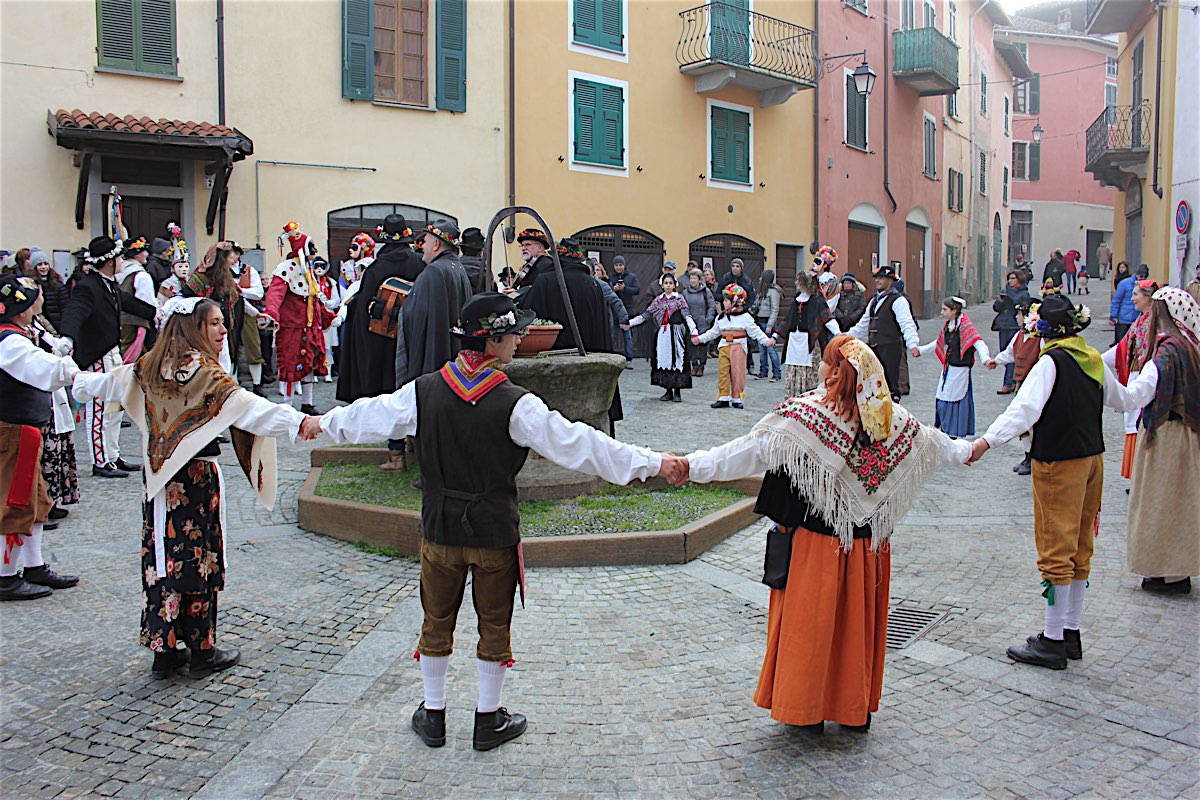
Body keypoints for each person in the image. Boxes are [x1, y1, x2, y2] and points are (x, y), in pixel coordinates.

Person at [314, 292, 685, 751]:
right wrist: (651, 462)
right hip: (492, 530)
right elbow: (580, 445)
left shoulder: (423, 391)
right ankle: (487, 719)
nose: (519, 339)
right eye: (512, 333)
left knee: (436, 618)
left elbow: (365, 416)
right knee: (493, 623)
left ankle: (433, 715)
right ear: (492, 342)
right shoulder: (516, 403)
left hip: (440, 527)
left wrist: (317, 424)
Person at [678, 335, 972, 732]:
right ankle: (853, 709)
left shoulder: (805, 417)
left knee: (809, 627)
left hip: (816, 546)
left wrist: (691, 465)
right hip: (867, 549)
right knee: (856, 630)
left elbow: (748, 452)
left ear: (834, 370)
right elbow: (937, 445)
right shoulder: (890, 419)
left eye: (825, 359)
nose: (819, 364)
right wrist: (972, 450)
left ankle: (805, 708)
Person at [72, 296, 317, 677]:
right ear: (193, 326)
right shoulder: (204, 373)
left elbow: (105, 384)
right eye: (214, 323)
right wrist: (299, 423)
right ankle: (202, 651)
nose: (223, 329)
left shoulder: (150, 367)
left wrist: (71, 379)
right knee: (198, 558)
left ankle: (165, 651)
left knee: (161, 558)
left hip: (157, 480)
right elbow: (250, 408)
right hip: (195, 479)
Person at [967, 294, 1155, 670]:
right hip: (1092, 459)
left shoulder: (1049, 362)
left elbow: (1024, 409)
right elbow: (1126, 400)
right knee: (1080, 546)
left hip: (1059, 461)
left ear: (1044, 332)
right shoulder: (1091, 358)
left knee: (1055, 546)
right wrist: (1152, 372)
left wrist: (986, 441)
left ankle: (1052, 640)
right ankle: (1070, 632)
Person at [0, 275, 82, 601]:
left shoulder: (19, 333)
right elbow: (43, 368)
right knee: (15, 501)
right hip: (13, 428)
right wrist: (78, 375)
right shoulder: (10, 340)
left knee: (36, 500)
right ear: (21, 309)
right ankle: (5, 576)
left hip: (24, 429)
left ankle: (33, 565)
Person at [1122, 287, 1200, 595]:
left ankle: (1167, 574)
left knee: (1161, 503)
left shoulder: (1167, 351)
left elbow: (1139, 393)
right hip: (1188, 436)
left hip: (1165, 436)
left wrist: (1104, 390)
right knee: (1182, 502)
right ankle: (1177, 571)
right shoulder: (1191, 346)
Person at [58, 236, 156, 478]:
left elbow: (129, 302)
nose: (122, 261)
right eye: (120, 257)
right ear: (110, 261)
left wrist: (156, 313)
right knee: (99, 408)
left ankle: (113, 454)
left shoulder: (109, 284)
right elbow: (75, 311)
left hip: (112, 352)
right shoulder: (88, 286)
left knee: (115, 406)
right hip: (97, 355)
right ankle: (100, 460)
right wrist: (67, 337)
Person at [338, 216, 423, 463]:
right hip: (413, 338)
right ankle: (412, 440)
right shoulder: (420, 264)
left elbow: (363, 311)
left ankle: (395, 453)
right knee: (410, 388)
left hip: (381, 341)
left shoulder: (375, 269)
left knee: (388, 393)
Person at [263, 222, 334, 414]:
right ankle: (287, 405)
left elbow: (314, 299)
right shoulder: (286, 269)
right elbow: (275, 294)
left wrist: (327, 317)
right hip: (291, 328)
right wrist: (271, 313)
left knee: (308, 364)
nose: (315, 251)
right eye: (311, 247)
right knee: (290, 365)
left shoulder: (308, 270)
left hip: (310, 327)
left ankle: (307, 403)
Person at [1101, 279, 1161, 481]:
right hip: (1136, 377)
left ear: (1148, 297)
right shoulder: (1140, 322)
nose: (1132, 298)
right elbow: (1122, 349)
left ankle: (1141, 474)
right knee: (1132, 422)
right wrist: (1095, 361)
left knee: (1139, 423)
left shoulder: (1156, 324)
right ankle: (1136, 475)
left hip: (1148, 380)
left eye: (1136, 294)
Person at [518, 237, 610, 355]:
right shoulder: (593, 284)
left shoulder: (545, 280)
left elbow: (528, 310)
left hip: (555, 352)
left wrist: (515, 296)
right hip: (589, 352)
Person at [845, 264, 921, 403]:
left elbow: (907, 323)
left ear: (890, 281)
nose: (877, 281)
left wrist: (913, 344)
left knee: (890, 385)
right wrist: (844, 337)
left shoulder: (898, 300)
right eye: (877, 278)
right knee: (873, 386)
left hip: (891, 348)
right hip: (875, 348)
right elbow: (863, 325)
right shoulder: (874, 301)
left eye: (881, 278)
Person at [693, 284, 775, 409]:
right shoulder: (721, 317)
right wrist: (700, 339)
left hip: (738, 346)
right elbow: (714, 332)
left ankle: (737, 398)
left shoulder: (745, 317)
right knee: (723, 372)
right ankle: (723, 397)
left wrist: (766, 341)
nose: (724, 303)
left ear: (736, 302)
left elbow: (755, 331)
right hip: (724, 346)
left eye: (726, 300)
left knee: (738, 372)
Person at [917, 297, 989, 438]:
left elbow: (978, 342)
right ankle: (945, 429)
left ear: (954, 311)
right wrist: (921, 350)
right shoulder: (949, 326)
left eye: (945, 309)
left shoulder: (966, 327)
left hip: (960, 370)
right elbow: (939, 342)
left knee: (953, 400)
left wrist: (985, 359)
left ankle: (953, 432)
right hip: (948, 368)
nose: (942, 313)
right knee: (942, 399)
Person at [985, 301, 1042, 475]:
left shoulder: (1040, 339)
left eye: (1020, 314)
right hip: (1021, 383)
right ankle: (1027, 455)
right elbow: (1010, 353)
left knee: (1033, 423)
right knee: (1023, 424)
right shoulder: (1020, 335)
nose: (1017, 317)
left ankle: (1035, 457)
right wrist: (995, 361)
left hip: (1034, 384)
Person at [624, 272, 698, 402]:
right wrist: (629, 323)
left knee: (677, 359)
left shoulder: (679, 299)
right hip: (663, 334)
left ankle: (677, 391)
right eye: (666, 283)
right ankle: (668, 390)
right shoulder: (658, 300)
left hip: (677, 333)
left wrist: (694, 331)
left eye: (670, 283)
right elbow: (646, 315)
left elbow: (687, 315)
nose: (668, 285)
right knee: (664, 359)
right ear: (662, 285)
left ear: (674, 285)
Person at [183, 241, 244, 375]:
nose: (233, 261)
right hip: (204, 329)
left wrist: (257, 314)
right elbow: (185, 296)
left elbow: (237, 299)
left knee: (224, 362)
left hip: (223, 328)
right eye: (231, 257)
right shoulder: (201, 278)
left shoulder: (227, 280)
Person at [781, 271, 839, 396]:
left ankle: (808, 395)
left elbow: (827, 318)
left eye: (799, 282)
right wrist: (775, 336)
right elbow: (787, 320)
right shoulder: (796, 300)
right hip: (794, 341)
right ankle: (793, 396)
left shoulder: (817, 301)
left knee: (810, 368)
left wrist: (838, 332)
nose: (796, 284)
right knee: (794, 367)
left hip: (808, 342)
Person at [230, 246, 268, 395]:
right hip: (228, 312)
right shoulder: (221, 271)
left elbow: (258, 293)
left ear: (239, 254)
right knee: (231, 348)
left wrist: (241, 292)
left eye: (234, 253)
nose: (231, 256)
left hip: (247, 313)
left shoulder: (249, 270)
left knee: (253, 347)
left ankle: (257, 384)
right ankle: (233, 383)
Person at [116, 237, 159, 364]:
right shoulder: (141, 275)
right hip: (138, 323)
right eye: (144, 251)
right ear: (136, 254)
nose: (147, 254)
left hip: (121, 321)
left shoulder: (120, 272)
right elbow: (147, 302)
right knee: (137, 359)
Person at [992, 270, 1032, 394]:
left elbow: (1023, 307)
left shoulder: (1023, 293)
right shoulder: (1005, 291)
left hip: (1014, 325)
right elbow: (996, 308)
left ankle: (1008, 383)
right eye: (1009, 278)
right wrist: (1000, 301)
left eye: (1013, 278)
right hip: (1003, 325)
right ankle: (1012, 381)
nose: (1010, 281)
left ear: (1019, 279)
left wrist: (1010, 300)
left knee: (1013, 354)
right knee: (1004, 352)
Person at [680, 268, 716, 377]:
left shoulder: (706, 291)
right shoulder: (685, 292)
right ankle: (694, 366)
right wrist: (687, 318)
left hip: (703, 322)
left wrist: (708, 319)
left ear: (699, 280)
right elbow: (683, 307)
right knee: (692, 346)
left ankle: (701, 367)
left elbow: (711, 306)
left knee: (702, 346)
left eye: (694, 278)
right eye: (691, 278)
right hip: (690, 323)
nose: (692, 280)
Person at [607, 255, 640, 365]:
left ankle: (629, 358)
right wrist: (614, 289)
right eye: (616, 265)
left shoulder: (631, 276)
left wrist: (624, 288)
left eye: (620, 265)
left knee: (628, 336)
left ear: (624, 265)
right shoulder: (610, 277)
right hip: (614, 310)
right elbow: (606, 290)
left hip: (627, 310)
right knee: (612, 335)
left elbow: (637, 290)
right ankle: (610, 356)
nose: (618, 267)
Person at [312, 258, 341, 382]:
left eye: (322, 266)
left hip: (327, 317)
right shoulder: (310, 281)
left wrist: (326, 303)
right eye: (316, 266)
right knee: (313, 346)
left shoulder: (330, 283)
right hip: (313, 316)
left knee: (327, 346)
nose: (319, 269)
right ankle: (313, 373)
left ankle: (327, 372)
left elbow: (336, 301)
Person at [592, 260, 629, 355]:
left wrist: (624, 319)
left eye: (598, 270)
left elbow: (616, 301)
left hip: (605, 316)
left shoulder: (603, 284)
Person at [26, 249, 68, 331]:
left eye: (46, 264)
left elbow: (65, 307)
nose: (43, 267)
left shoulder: (57, 284)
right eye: (40, 264)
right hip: (39, 325)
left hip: (58, 325)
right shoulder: (30, 284)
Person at [753, 270, 782, 382]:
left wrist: (770, 325)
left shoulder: (773, 292)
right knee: (762, 349)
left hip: (767, 323)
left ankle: (777, 373)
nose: (759, 279)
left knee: (771, 349)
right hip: (759, 322)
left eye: (762, 277)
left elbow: (775, 310)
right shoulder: (761, 291)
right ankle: (763, 371)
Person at [513, 228, 555, 294]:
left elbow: (539, 288)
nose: (523, 248)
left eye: (527, 245)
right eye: (522, 245)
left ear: (540, 248)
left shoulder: (546, 264)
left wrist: (517, 293)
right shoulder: (529, 264)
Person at [459, 227, 495, 294]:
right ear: (480, 252)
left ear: (461, 250)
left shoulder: (454, 267)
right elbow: (491, 293)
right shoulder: (485, 271)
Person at [1110, 266, 1139, 346]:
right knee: (1121, 342)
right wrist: (1113, 316)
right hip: (1123, 318)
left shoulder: (1143, 285)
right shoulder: (1125, 283)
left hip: (1135, 319)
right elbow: (1116, 300)